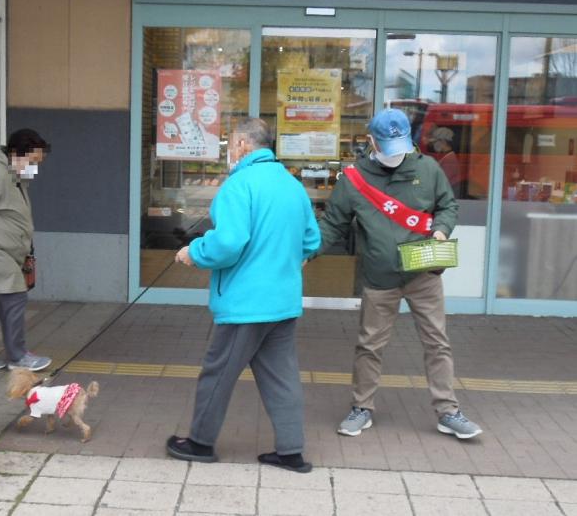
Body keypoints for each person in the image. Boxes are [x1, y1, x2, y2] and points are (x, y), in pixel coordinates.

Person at [167, 118, 321, 472]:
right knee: (281, 377)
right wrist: (293, 260)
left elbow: (229, 243)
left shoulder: (239, 186)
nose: (229, 152)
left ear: (241, 145)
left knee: (217, 373)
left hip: (245, 304)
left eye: (229, 144)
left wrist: (195, 251)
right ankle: (291, 451)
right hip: (282, 302)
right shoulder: (291, 184)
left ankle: (200, 443)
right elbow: (312, 240)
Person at [318, 108, 482, 440]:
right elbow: (332, 225)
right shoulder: (353, 180)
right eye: (388, 148)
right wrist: (303, 253)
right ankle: (361, 407)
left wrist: (440, 230)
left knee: (437, 342)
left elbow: (448, 206)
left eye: (401, 147)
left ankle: (447, 411)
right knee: (370, 345)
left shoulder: (427, 168)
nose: (396, 156)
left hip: (423, 273)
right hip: (380, 277)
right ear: (371, 141)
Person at [0, 128, 52, 372]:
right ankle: (17, 356)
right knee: (14, 297)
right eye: (33, 161)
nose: (35, 167)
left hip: (4, 249)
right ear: (17, 154)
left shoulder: (14, 175)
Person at [428, 126, 466, 199]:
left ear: (443, 141)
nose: (433, 145)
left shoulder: (449, 160)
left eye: (435, 142)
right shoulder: (447, 157)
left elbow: (440, 183)